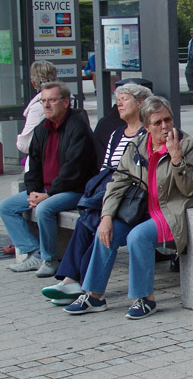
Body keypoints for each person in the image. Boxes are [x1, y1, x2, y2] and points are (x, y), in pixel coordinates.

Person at [64, 96, 193, 319]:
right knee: (106, 232)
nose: (165, 126)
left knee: (137, 237)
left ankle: (145, 299)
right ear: (146, 127)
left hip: (175, 212)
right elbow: (117, 183)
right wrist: (107, 216)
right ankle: (93, 295)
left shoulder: (187, 145)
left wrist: (177, 160)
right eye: (157, 122)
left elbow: (192, 190)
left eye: (168, 119)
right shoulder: (137, 147)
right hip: (143, 212)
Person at [39, 83, 152, 305]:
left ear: (140, 103)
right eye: (117, 99)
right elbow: (105, 169)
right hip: (109, 193)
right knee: (87, 222)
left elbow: (137, 174)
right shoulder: (117, 133)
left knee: (95, 224)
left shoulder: (146, 133)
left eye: (125, 98)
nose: (118, 103)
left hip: (131, 198)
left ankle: (76, 282)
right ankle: (73, 281)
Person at [0, 81, 97, 277]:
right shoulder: (42, 128)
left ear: (66, 101)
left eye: (52, 100)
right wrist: (34, 190)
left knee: (44, 209)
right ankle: (33, 252)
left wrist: (48, 194)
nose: (46, 105)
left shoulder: (77, 127)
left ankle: (50, 259)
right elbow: (33, 164)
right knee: (7, 207)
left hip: (74, 190)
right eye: (43, 101)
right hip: (45, 190)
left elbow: (73, 170)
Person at [17, 61, 58, 162]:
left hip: (46, 159)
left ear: (33, 83)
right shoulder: (69, 99)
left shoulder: (38, 107)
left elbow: (25, 145)